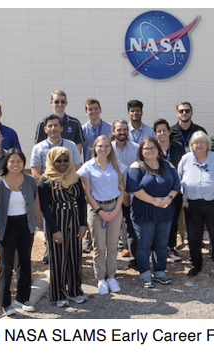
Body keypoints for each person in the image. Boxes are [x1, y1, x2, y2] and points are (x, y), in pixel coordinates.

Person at [0, 149, 39, 316]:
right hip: (6, 226)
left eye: (19, 161)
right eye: (12, 161)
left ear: (24, 163)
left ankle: (23, 298)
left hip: (26, 224)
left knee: (25, 262)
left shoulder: (30, 180)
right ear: (6, 163)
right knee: (6, 265)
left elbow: (32, 198)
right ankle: (5, 302)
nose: (15, 164)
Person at [37, 147, 89, 307]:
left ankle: (74, 291)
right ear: (52, 161)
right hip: (56, 220)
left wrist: (83, 224)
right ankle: (58, 294)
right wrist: (54, 230)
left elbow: (81, 201)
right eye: (58, 161)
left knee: (74, 255)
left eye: (65, 160)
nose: (62, 164)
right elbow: (45, 208)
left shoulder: (75, 177)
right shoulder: (45, 180)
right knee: (58, 258)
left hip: (73, 220)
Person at [127, 137, 181, 288]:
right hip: (144, 212)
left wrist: (170, 197)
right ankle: (145, 274)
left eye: (152, 147)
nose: (149, 150)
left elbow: (176, 184)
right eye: (146, 148)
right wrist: (152, 200)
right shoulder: (136, 166)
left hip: (165, 210)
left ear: (158, 149)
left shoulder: (167, 164)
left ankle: (159, 272)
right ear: (141, 151)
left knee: (162, 244)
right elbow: (133, 188)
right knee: (144, 243)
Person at [78, 136, 128, 292]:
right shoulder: (88, 167)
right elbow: (87, 193)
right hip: (96, 208)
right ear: (94, 148)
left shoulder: (117, 166)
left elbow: (122, 190)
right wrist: (100, 211)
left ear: (110, 148)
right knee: (99, 246)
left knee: (112, 246)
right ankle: (100, 278)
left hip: (115, 207)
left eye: (107, 146)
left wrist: (116, 209)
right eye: (100, 146)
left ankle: (112, 276)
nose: (104, 148)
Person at [179, 131, 214, 277]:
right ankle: (196, 265)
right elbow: (179, 177)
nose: (199, 145)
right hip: (192, 205)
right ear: (191, 145)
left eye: (202, 142)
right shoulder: (185, 159)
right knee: (194, 238)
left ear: (207, 144)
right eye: (196, 142)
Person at [154, 119, 187, 256]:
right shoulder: (152, 147)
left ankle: (171, 247)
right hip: (156, 189)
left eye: (164, 130)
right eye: (159, 131)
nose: (162, 133)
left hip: (174, 189)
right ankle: (157, 248)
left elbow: (183, 166)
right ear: (155, 133)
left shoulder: (178, 146)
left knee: (173, 219)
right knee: (157, 220)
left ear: (169, 132)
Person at [111, 119, 140, 259]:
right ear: (113, 131)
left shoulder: (136, 148)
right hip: (113, 196)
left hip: (132, 195)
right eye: (119, 130)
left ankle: (133, 258)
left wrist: (128, 193)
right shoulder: (107, 149)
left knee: (131, 228)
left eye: (124, 130)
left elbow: (140, 172)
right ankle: (111, 265)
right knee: (112, 230)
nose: (122, 132)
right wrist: (121, 194)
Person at [31, 115, 83, 179]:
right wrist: (52, 183)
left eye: (56, 125)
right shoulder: (38, 148)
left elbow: (78, 170)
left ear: (61, 128)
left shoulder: (72, 146)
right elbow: (36, 175)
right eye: (50, 126)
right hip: (47, 185)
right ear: (45, 129)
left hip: (69, 185)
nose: (53, 128)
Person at [33, 90, 84, 154]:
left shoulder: (75, 123)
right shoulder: (43, 123)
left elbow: (78, 149)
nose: (60, 104)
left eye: (62, 101)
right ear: (51, 103)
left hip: (69, 162)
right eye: (56, 102)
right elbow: (38, 148)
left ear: (66, 103)